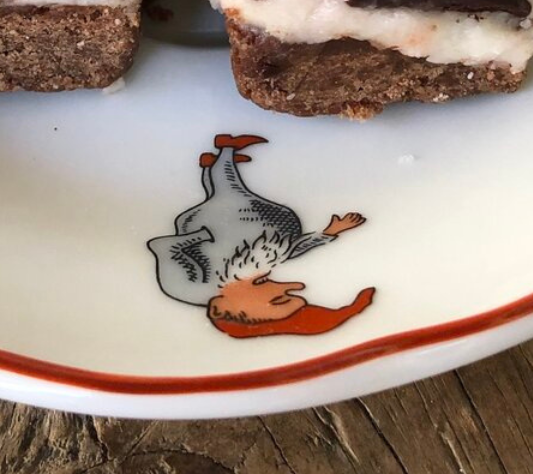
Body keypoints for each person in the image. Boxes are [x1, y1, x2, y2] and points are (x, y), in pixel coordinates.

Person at [148, 134, 374, 338]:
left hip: (221, 221)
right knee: (228, 189)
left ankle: (226, 148)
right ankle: (213, 163)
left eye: (278, 298)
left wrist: (201, 235)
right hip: (258, 222)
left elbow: (163, 247)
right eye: (289, 295)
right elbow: (291, 251)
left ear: (220, 307)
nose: (291, 286)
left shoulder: (192, 287)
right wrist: (328, 233)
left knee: (228, 190)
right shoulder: (252, 273)